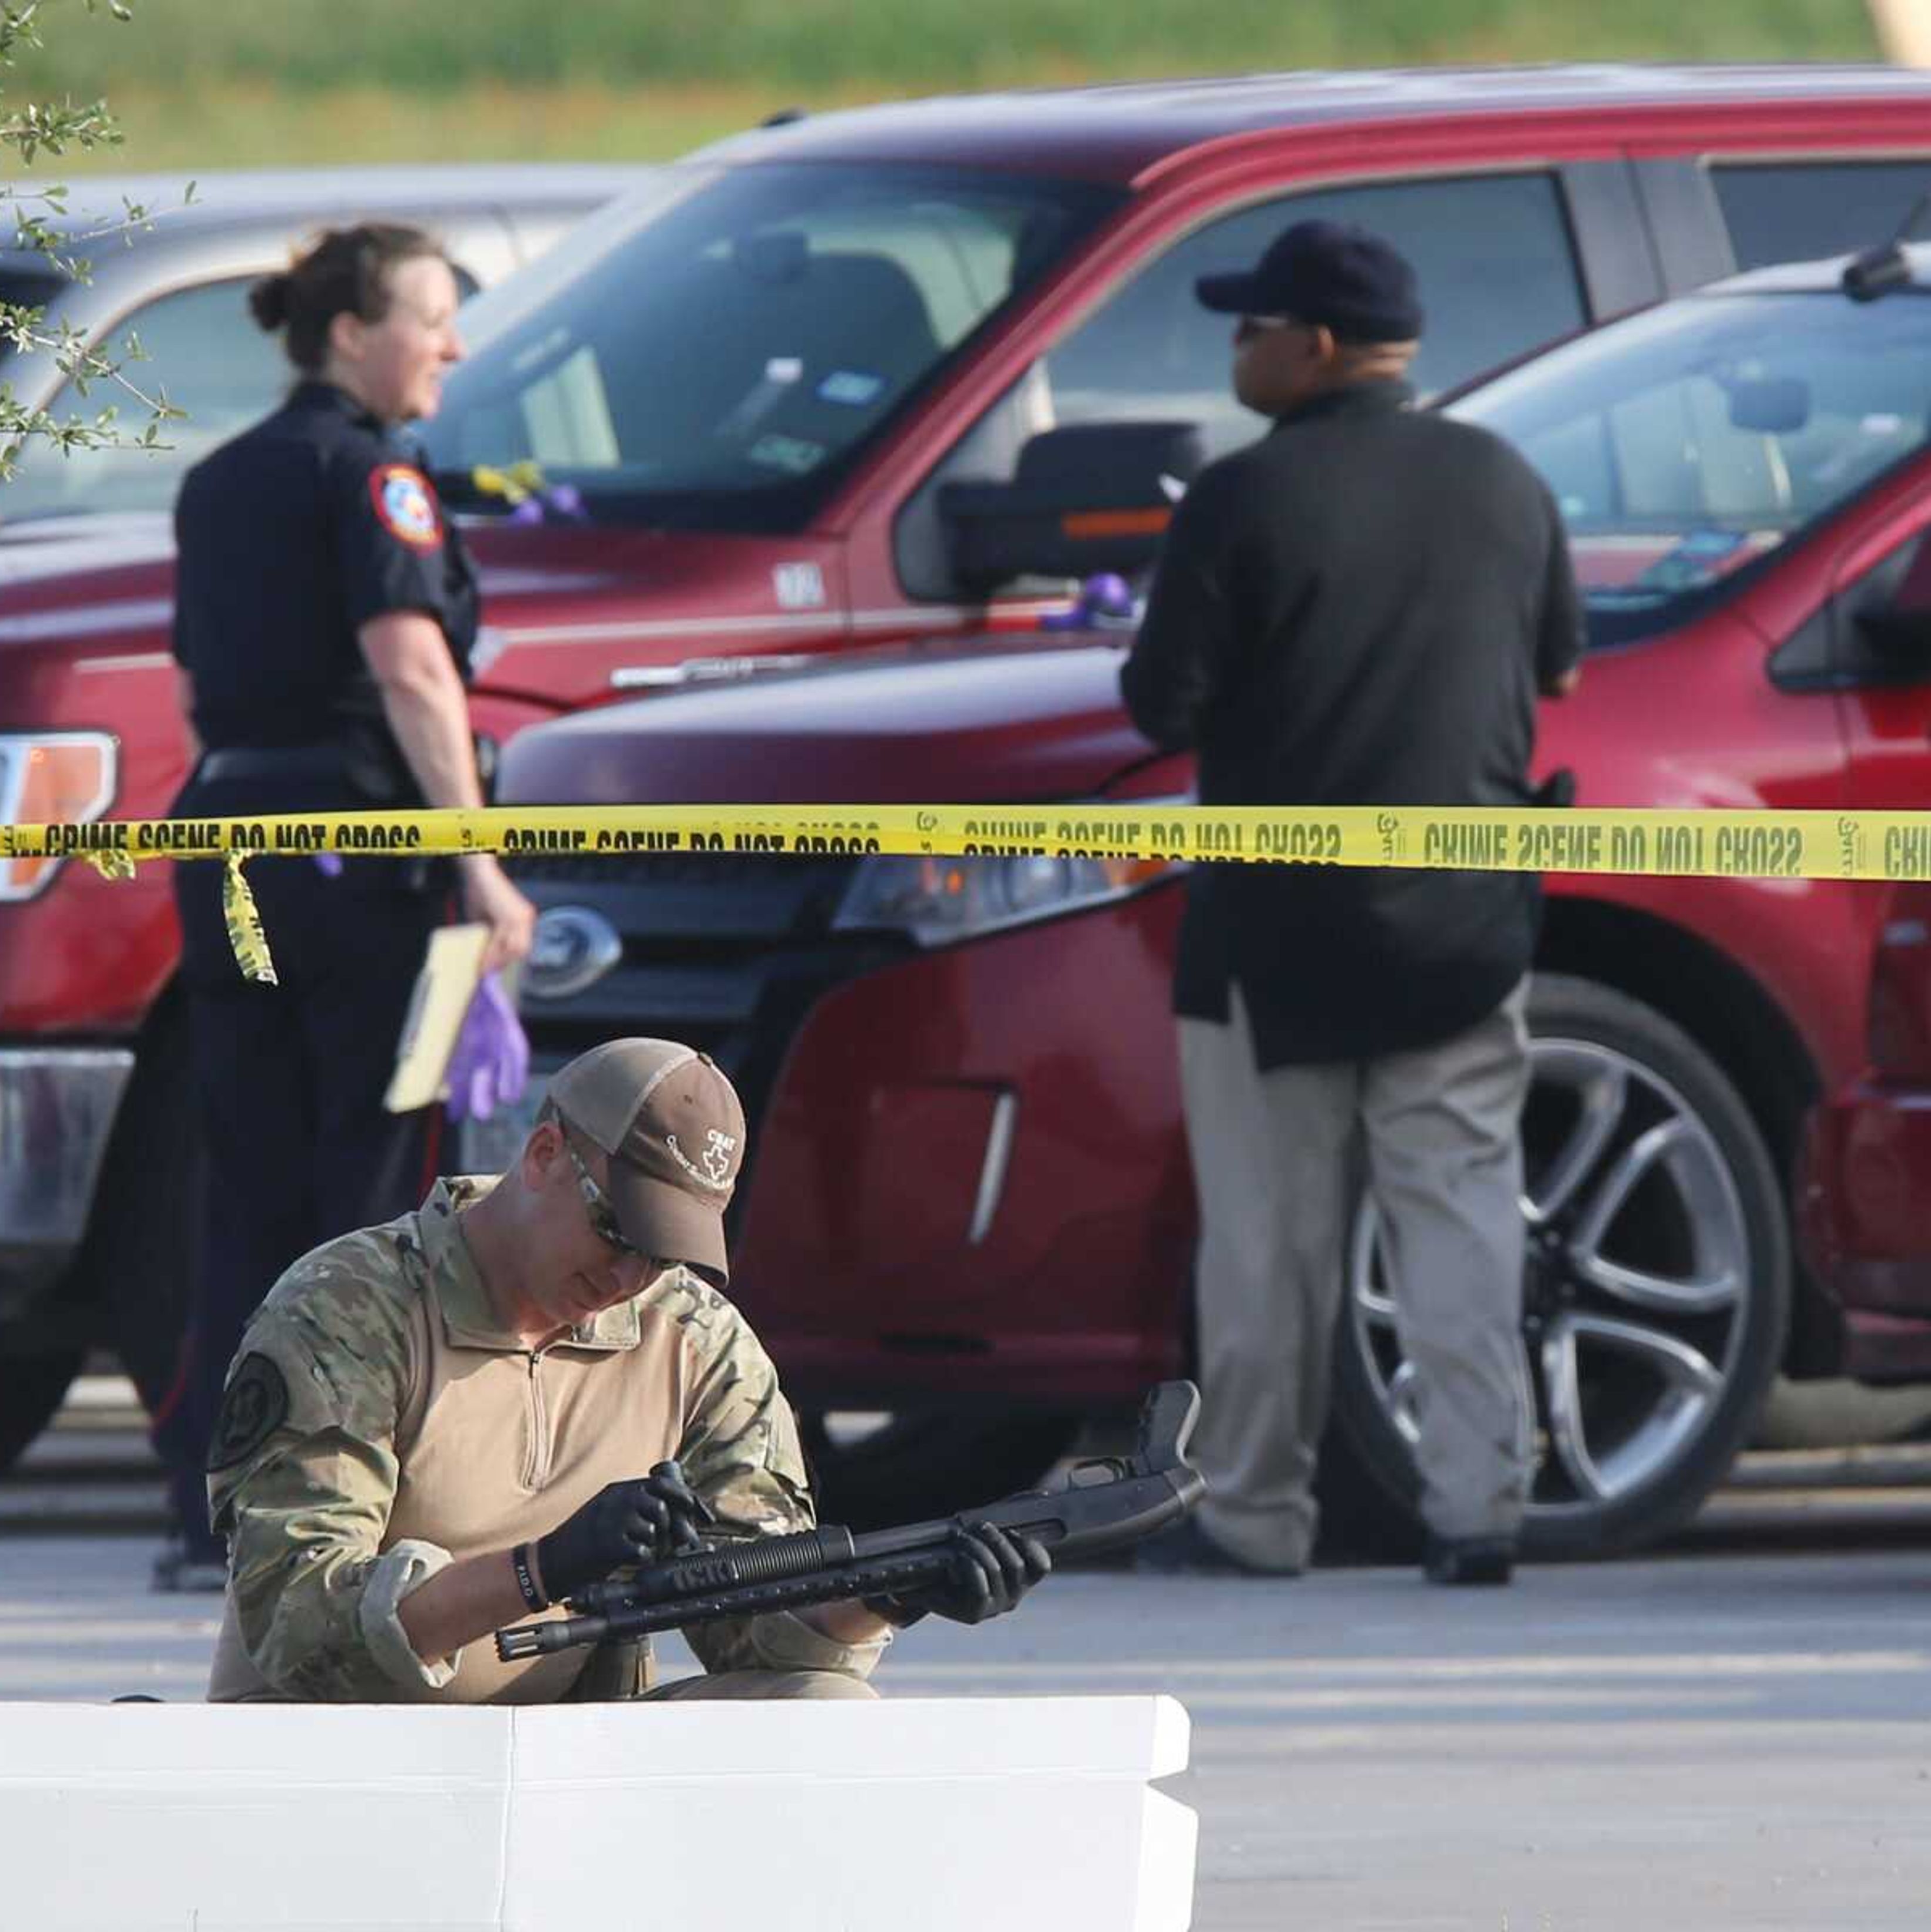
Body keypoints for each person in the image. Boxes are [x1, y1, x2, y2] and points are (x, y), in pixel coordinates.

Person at [1118, 220, 1583, 1587]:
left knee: (1271, 1244)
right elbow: (1556, 671)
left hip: (1277, 940)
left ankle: (1256, 1518)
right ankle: (1478, 1511)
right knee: (1461, 1225)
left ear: (1314, 346)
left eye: (1250, 327)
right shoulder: (1505, 479)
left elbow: (1163, 702)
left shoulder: (1241, 499)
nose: (1235, 349)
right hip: (1465, 923)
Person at [202, 1037, 1050, 1703]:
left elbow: (751, 1627)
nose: (630, 1278)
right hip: (331, 1754)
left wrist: (891, 1593)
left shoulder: (693, 1337)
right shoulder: (350, 1307)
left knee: (821, 1705)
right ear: (541, 1155)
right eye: (618, 1230)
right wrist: (543, 1570)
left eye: (664, 1251)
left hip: (565, 1760)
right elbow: (299, 1630)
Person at [150, 223, 537, 1592]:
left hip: (234, 842)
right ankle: (342, 1497)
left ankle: (222, 1499)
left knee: (245, 1169)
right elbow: (415, 675)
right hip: (363, 861)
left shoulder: (218, 480)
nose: (452, 345)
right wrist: (480, 861)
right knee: (377, 1183)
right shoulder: (373, 477)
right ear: (354, 331)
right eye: (434, 316)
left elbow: (206, 680)